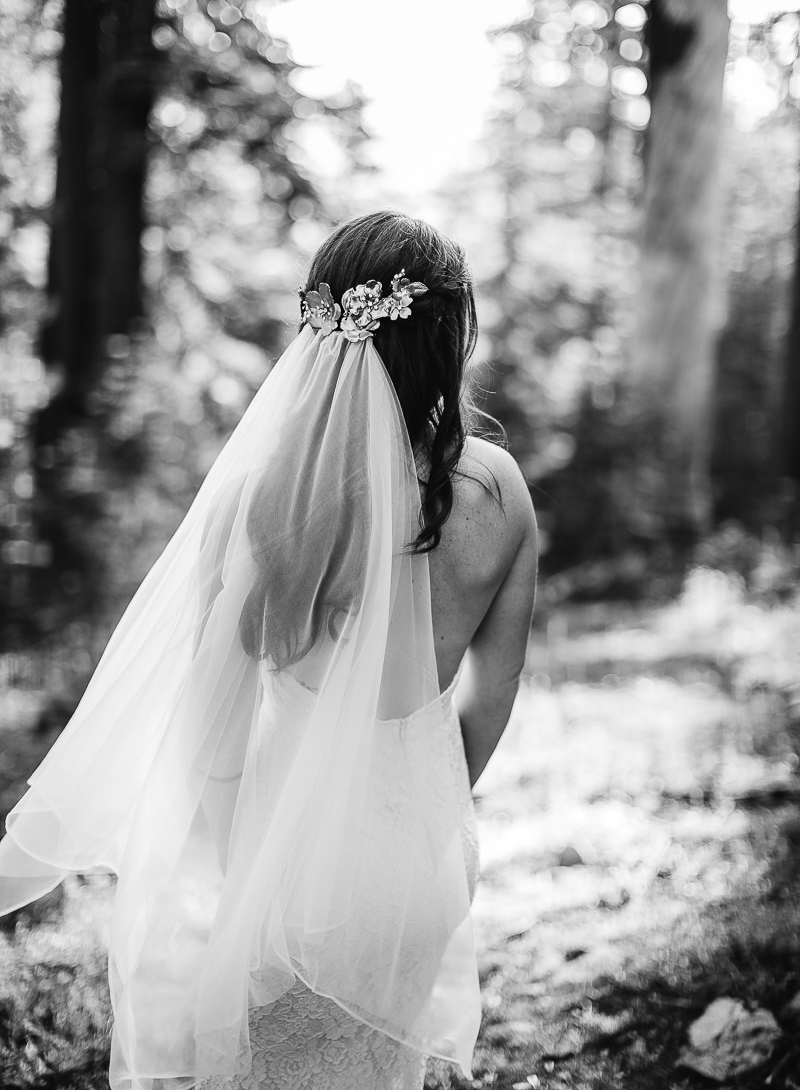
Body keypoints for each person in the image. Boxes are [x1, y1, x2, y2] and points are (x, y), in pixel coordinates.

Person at [0, 210, 537, 1090]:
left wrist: (239, 865)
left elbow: (211, 739)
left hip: (289, 867)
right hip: (424, 863)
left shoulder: (259, 501)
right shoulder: (499, 487)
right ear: (447, 341)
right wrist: (432, 801)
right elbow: (497, 686)